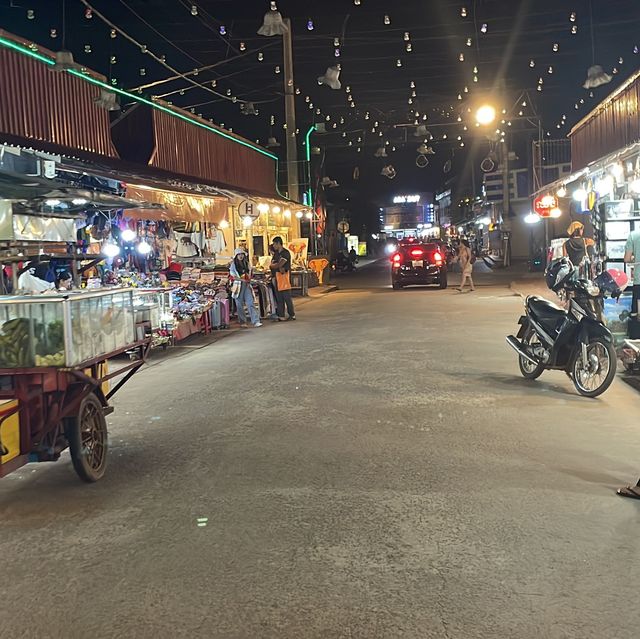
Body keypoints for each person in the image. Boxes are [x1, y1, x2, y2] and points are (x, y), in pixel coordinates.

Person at [229, 247, 262, 328]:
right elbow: (233, 276)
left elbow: (250, 272)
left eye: (242, 254)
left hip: (246, 285)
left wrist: (249, 278)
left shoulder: (246, 263)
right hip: (238, 286)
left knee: (250, 303)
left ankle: (255, 321)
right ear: (236, 256)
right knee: (239, 304)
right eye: (239, 254)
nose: (240, 256)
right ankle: (242, 321)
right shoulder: (233, 265)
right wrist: (242, 279)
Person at [270, 236, 295, 321]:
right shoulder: (276, 253)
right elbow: (272, 264)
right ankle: (281, 315)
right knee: (279, 297)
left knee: (287, 297)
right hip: (276, 277)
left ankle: (292, 314)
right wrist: (274, 266)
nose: (273, 246)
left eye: (274, 244)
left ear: (278, 243)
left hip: (284, 277)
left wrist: (274, 265)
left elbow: (279, 264)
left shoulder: (285, 253)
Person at [624, 227, 640, 319]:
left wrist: (634, 258)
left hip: (639, 281)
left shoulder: (633, 235)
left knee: (636, 314)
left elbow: (627, 258)